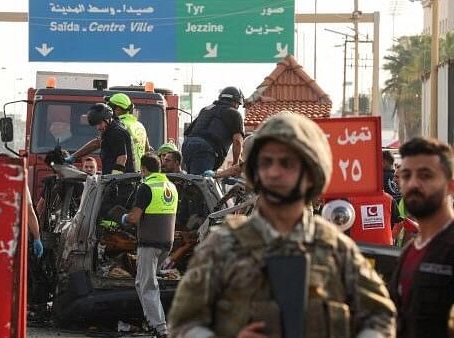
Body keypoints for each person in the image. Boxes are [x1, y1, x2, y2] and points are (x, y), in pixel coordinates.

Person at [169, 112, 396, 338]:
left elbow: (381, 317)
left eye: (286, 163)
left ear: (311, 173)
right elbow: (183, 323)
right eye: (266, 162)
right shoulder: (223, 245)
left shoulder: (336, 249)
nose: (274, 172)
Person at [388, 137, 454, 338]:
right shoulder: (409, 252)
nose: (413, 183)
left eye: (425, 175)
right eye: (406, 176)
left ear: (450, 187)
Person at [116, 153, 178, 338]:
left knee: (147, 285)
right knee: (142, 282)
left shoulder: (146, 186)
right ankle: (150, 320)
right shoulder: (171, 186)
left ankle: (159, 328)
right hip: (167, 244)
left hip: (149, 243)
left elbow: (134, 217)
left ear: (143, 169)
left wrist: (123, 218)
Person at [181, 86, 245, 174]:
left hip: (188, 145)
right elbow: (238, 141)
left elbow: (187, 133)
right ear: (235, 102)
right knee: (200, 184)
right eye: (238, 104)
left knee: (190, 180)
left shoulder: (206, 109)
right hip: (206, 149)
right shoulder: (234, 113)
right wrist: (235, 163)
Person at [66, 103, 135, 175]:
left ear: (107, 119)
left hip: (123, 181)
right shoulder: (109, 129)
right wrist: (73, 156)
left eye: (99, 124)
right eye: (96, 125)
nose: (98, 128)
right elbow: (96, 143)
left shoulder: (116, 132)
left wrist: (114, 178)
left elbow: (122, 157)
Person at [107, 93, 150, 169]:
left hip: (124, 174)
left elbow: (97, 143)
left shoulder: (118, 125)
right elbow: (147, 149)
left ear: (117, 109)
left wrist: (78, 155)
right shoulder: (140, 125)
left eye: (109, 107)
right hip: (139, 174)